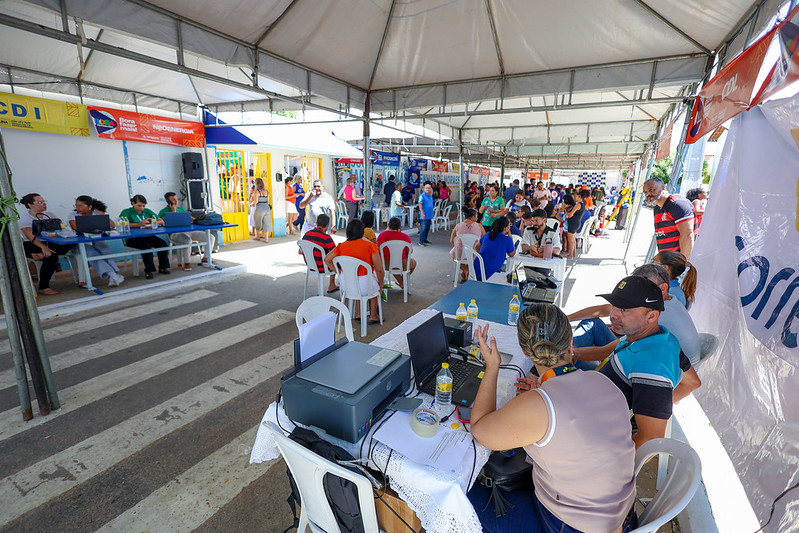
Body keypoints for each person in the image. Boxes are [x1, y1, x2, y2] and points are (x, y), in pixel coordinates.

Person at [467, 305, 636, 533]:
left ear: (525, 351)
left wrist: (492, 367)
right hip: (623, 519)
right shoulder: (604, 382)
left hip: (571, 527)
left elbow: (480, 430)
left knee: (462, 492)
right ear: (570, 344)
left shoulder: (540, 404)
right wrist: (541, 393)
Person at [591, 276, 700, 447]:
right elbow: (693, 382)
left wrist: (653, 406)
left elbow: (650, 439)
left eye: (625, 310)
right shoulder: (664, 338)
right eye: (614, 306)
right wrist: (649, 407)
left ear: (651, 316)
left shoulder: (652, 366)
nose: (613, 315)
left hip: (592, 434)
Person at [571, 264, 702, 367]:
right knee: (592, 324)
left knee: (568, 362)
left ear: (663, 288)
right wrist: (567, 318)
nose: (636, 292)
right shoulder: (668, 300)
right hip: (657, 360)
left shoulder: (658, 314)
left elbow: (605, 352)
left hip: (659, 370)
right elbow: (605, 311)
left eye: (644, 287)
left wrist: (567, 355)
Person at [324, 219, 385, 322]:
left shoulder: (341, 246)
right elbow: (379, 269)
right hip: (365, 285)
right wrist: (381, 284)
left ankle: (358, 313)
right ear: (362, 231)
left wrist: (338, 272)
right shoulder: (370, 245)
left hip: (346, 285)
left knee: (355, 282)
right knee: (374, 288)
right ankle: (373, 315)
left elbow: (327, 260)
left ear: (348, 231)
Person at [18, 193, 75, 295]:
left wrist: (55, 223)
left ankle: (40, 255)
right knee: (51, 256)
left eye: (44, 201)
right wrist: (43, 248)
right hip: (32, 244)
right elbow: (30, 236)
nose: (44, 204)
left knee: (72, 243)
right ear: (30, 205)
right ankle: (43, 287)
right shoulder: (25, 219)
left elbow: (59, 230)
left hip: (51, 242)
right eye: (40, 202)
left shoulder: (49, 214)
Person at [69, 195, 124, 286]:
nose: (77, 208)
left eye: (80, 206)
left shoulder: (96, 213)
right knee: (92, 253)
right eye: (76, 205)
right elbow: (75, 227)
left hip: (96, 239)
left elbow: (112, 225)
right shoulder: (73, 214)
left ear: (90, 206)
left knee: (105, 249)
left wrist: (101, 215)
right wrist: (95, 225)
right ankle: (113, 274)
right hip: (80, 242)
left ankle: (114, 275)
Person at [159, 191, 216, 270]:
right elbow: (161, 221)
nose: (176, 202)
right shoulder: (163, 211)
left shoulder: (181, 209)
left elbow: (192, 218)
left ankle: (206, 258)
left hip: (189, 231)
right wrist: (173, 211)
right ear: (168, 201)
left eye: (176, 199)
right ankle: (187, 262)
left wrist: (202, 219)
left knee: (210, 237)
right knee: (187, 240)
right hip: (176, 234)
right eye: (173, 200)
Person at [119, 194, 170, 280]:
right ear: (133, 203)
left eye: (143, 206)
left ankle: (163, 267)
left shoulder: (147, 211)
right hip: (132, 238)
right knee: (146, 247)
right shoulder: (126, 212)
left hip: (147, 236)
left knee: (162, 244)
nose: (141, 208)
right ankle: (149, 271)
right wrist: (138, 224)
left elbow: (161, 220)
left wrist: (153, 223)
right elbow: (121, 224)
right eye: (139, 206)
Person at [643, 177, 695, 258]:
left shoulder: (677, 204)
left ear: (663, 188)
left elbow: (688, 235)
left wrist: (682, 262)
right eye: (645, 192)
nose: (648, 194)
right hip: (668, 259)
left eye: (651, 190)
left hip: (679, 260)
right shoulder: (657, 208)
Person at [300, 213, 338, 293]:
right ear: (327, 225)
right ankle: (332, 285)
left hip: (310, 265)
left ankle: (332, 285)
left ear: (316, 223)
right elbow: (335, 252)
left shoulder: (306, 235)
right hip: (322, 267)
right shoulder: (326, 238)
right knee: (334, 259)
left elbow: (300, 251)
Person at [377, 217, 416, 289]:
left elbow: (378, 250)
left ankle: (401, 283)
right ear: (400, 227)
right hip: (402, 264)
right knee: (413, 263)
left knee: (392, 264)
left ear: (388, 225)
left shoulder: (381, 236)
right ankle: (403, 282)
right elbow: (410, 251)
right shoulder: (405, 237)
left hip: (385, 264)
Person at [449, 206, 485, 283]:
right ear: (473, 217)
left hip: (459, 253)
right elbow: (484, 241)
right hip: (474, 254)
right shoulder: (480, 226)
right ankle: (468, 270)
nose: (477, 218)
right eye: (476, 216)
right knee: (475, 253)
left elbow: (452, 240)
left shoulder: (458, 226)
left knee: (453, 254)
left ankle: (465, 270)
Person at [562, 190, 585, 259]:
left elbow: (570, 214)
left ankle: (570, 255)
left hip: (573, 223)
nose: (574, 198)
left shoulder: (578, 205)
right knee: (573, 239)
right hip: (576, 223)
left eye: (575, 196)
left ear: (579, 196)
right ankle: (573, 253)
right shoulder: (582, 204)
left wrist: (566, 212)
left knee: (570, 240)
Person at [248, 178, 273, 242]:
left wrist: (252, 204)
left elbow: (256, 201)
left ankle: (257, 236)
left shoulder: (257, 191)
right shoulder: (266, 191)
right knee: (266, 222)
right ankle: (266, 239)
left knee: (258, 222)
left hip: (260, 207)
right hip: (267, 208)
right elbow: (268, 201)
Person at [417, 181, 434, 246]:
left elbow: (432, 191)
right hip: (424, 215)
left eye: (429, 188)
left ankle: (425, 240)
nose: (427, 189)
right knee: (423, 229)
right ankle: (421, 241)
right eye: (426, 188)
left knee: (427, 229)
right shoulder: (422, 196)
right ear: (424, 189)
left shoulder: (430, 195)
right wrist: (422, 213)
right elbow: (420, 204)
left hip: (429, 215)